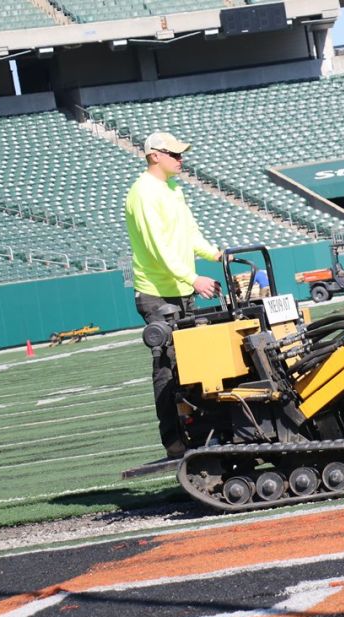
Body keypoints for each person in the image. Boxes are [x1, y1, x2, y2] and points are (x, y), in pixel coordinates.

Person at [125, 131, 224, 458]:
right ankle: (174, 442)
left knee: (194, 364)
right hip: (158, 294)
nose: (181, 160)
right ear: (155, 155)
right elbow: (158, 248)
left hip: (181, 290)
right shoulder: (143, 193)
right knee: (167, 367)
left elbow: (188, 233)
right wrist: (192, 277)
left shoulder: (172, 189)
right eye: (175, 155)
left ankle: (204, 432)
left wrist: (217, 254)